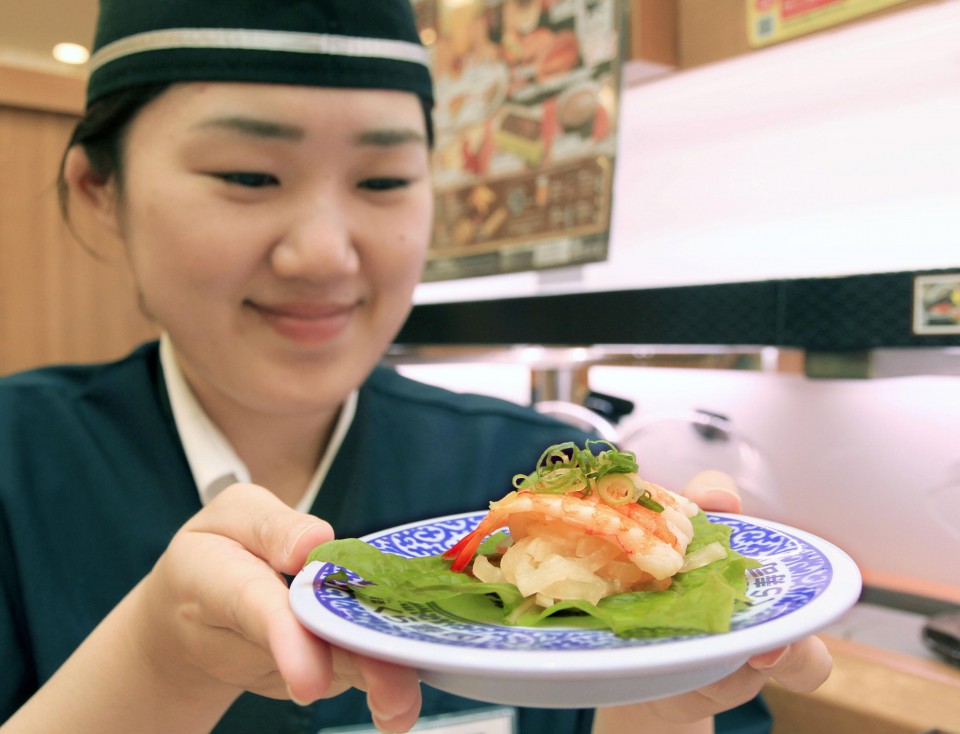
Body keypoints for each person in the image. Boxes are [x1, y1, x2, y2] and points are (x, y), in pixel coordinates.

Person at [0, 1, 832, 732]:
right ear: (99, 190)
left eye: (383, 180)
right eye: (248, 175)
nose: (324, 254)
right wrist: (157, 666)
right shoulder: (16, 466)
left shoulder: (542, 491)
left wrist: (654, 699)